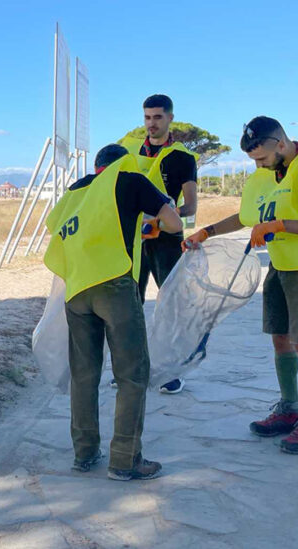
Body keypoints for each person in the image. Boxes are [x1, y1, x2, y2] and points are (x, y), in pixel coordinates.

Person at [183, 116, 298, 455]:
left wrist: (280, 224)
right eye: (253, 159)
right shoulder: (263, 175)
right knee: (280, 339)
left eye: (262, 158)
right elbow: (245, 217)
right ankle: (289, 410)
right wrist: (206, 232)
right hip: (280, 267)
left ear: (281, 144)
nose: (258, 165)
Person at [44, 144, 182, 481]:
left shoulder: (77, 191)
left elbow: (56, 229)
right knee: (132, 374)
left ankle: (85, 452)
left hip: (76, 291)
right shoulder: (131, 179)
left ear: (96, 167)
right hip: (115, 286)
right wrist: (151, 227)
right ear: (123, 163)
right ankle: (125, 459)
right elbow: (175, 222)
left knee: (84, 374)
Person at [113, 94, 199, 395]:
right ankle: (132, 367)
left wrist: (165, 217)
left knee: (171, 304)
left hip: (167, 242)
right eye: (148, 117)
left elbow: (191, 207)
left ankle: (173, 370)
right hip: (133, 240)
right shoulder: (129, 150)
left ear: (170, 118)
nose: (151, 123)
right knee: (130, 303)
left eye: (158, 117)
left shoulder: (182, 157)